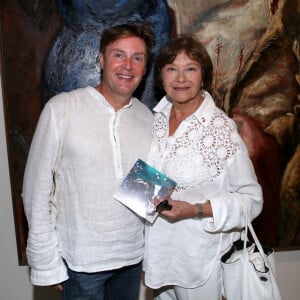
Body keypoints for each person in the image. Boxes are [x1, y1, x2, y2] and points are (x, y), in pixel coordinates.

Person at [22, 23, 155, 300]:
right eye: (119, 55)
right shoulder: (63, 109)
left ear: (145, 67)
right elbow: (36, 191)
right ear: (102, 59)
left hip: (131, 259)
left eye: (137, 58)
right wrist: (48, 262)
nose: (127, 65)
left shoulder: (148, 119)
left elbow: (144, 196)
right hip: (81, 265)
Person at [143, 36, 263, 300]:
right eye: (172, 68)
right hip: (158, 259)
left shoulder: (221, 129)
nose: (180, 78)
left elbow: (251, 200)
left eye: (191, 68)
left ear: (203, 76)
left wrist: (195, 210)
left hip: (200, 264)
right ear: (161, 77)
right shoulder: (153, 120)